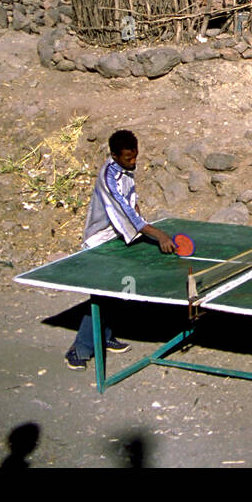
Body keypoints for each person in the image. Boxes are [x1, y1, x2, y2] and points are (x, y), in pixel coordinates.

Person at [65, 129, 174, 370]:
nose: (133, 162)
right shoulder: (108, 178)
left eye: (135, 157)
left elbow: (133, 204)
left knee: (114, 291)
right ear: (114, 155)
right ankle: (79, 349)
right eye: (128, 158)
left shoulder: (126, 170)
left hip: (117, 238)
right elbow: (127, 213)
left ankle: (104, 337)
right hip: (100, 241)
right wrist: (159, 235)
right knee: (100, 296)